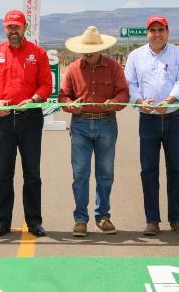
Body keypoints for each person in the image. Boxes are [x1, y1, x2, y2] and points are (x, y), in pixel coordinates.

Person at [0, 9, 52, 237]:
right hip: (3, 119)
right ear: (4, 28)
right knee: (5, 173)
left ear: (24, 28)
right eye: (9, 27)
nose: (13, 31)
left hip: (30, 118)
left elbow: (45, 85)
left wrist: (31, 100)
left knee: (32, 172)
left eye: (17, 27)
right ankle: (2, 222)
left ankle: (34, 222)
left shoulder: (38, 53)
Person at [124, 15, 179, 236]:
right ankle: (152, 220)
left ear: (167, 32)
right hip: (148, 119)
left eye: (160, 30)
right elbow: (130, 83)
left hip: (173, 118)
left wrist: (170, 100)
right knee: (149, 170)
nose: (156, 34)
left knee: (176, 170)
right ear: (147, 33)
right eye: (152, 30)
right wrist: (139, 101)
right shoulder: (136, 56)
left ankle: (176, 219)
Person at [58, 26, 129, 237]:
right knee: (80, 173)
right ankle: (80, 219)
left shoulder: (114, 67)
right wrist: (72, 106)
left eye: (93, 49)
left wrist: (113, 103)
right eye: (85, 50)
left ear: (101, 49)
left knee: (105, 173)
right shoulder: (72, 69)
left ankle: (103, 216)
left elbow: (123, 93)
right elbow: (63, 97)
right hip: (80, 123)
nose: (88, 53)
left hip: (106, 122)